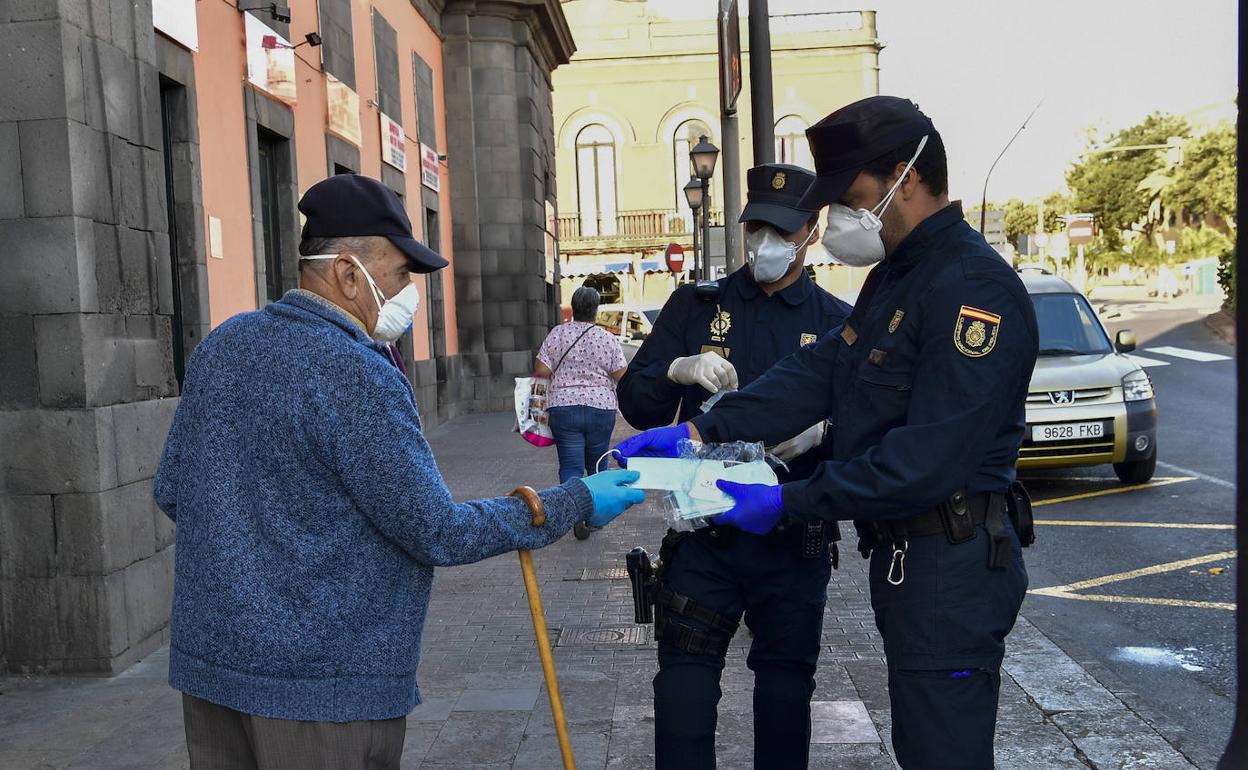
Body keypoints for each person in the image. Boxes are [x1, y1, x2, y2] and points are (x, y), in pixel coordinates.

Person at [154, 174, 645, 770]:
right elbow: (438, 530)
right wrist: (574, 501)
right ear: (346, 273)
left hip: (213, 675)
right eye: (399, 274)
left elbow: (174, 488)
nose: (409, 293)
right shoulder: (355, 371)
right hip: (322, 694)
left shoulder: (223, 344)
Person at [617, 97, 1039, 770]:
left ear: (905, 176)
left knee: (942, 750)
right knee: (922, 744)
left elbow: (922, 461)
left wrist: (789, 501)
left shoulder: (969, 288)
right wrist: (701, 426)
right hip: (911, 561)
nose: (842, 215)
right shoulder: (897, 280)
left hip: (949, 561)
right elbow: (820, 371)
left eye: (853, 196)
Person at [616, 163, 851, 769]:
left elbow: (863, 435)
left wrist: (824, 433)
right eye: (757, 228)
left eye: (781, 230)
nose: (765, 243)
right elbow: (639, 405)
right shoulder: (697, 307)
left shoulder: (834, 321)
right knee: (682, 694)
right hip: (705, 538)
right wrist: (675, 369)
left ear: (811, 232)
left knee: (785, 691)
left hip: (791, 538)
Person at [535, 285, 627, 540]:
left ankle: (573, 515)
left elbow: (541, 370)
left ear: (573, 309)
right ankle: (594, 516)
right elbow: (621, 374)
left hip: (563, 407)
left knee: (571, 466)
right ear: (596, 310)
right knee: (597, 465)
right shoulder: (607, 338)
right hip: (601, 408)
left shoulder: (558, 334)